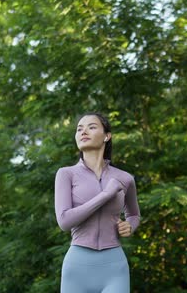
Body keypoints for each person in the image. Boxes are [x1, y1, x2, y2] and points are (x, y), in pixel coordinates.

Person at [55, 112, 141, 293]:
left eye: (91, 127)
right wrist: (106, 194)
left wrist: (130, 226)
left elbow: (133, 214)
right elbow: (64, 221)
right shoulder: (66, 174)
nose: (83, 131)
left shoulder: (124, 178)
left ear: (107, 136)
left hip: (114, 267)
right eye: (79, 129)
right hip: (77, 267)